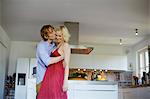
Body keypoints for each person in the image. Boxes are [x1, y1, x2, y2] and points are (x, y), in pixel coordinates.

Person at [37, 26, 71, 99]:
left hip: (57, 75)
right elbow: (48, 61)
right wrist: (61, 57)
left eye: (60, 36)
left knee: (56, 95)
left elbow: (67, 65)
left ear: (64, 36)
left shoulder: (65, 45)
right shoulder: (52, 46)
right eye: (56, 35)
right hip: (48, 75)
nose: (57, 37)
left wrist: (65, 81)